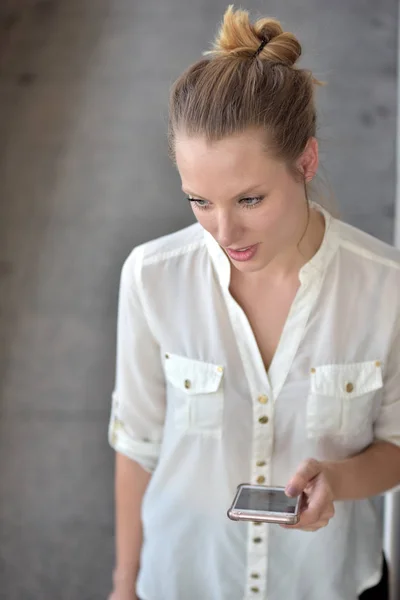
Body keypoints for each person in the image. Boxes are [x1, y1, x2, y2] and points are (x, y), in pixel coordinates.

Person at [107, 5, 400, 600]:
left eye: (248, 200)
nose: (224, 233)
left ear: (306, 162)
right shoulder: (151, 277)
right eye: (199, 200)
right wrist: (124, 584)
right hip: (186, 578)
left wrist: (337, 481)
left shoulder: (385, 287)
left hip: (327, 583)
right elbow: (136, 444)